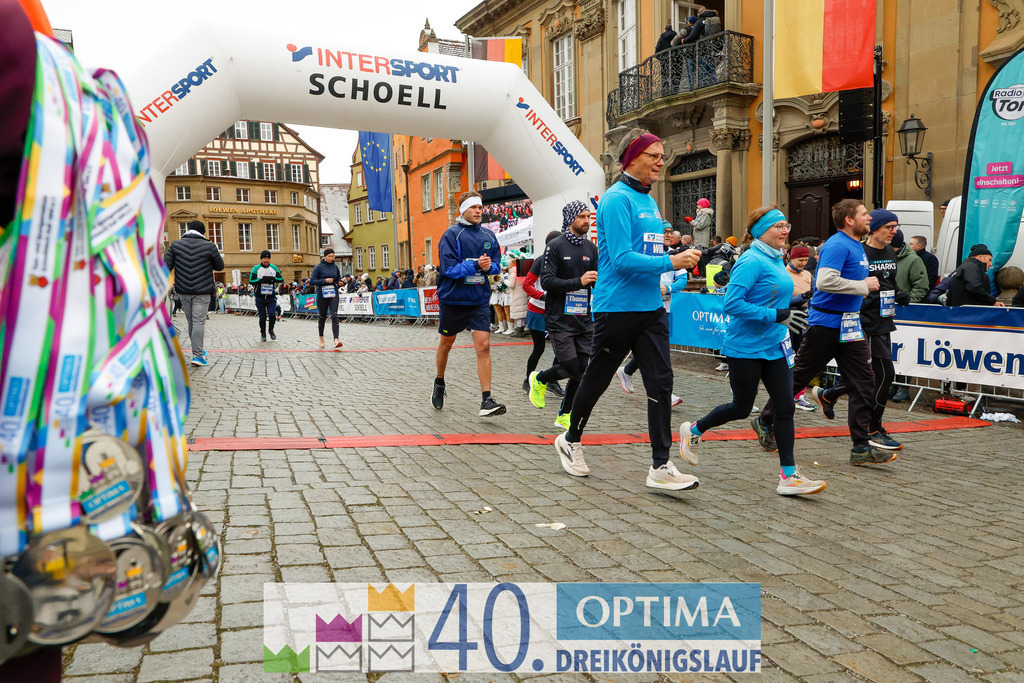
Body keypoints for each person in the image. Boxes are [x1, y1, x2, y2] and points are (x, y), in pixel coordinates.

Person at [552, 129, 701, 490]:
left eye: (663, 154)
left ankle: (660, 465)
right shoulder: (617, 199)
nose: (661, 161)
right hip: (616, 307)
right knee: (599, 378)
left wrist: (673, 260)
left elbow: (647, 253)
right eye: (655, 154)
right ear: (631, 158)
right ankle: (570, 439)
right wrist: (672, 260)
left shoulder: (648, 201)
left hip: (650, 307)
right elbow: (618, 260)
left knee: (661, 381)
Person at [679, 205, 825, 496]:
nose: (785, 231)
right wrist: (775, 315)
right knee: (741, 407)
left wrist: (797, 302)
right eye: (778, 226)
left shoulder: (776, 258)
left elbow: (773, 296)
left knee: (785, 407)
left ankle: (789, 476)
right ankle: (694, 430)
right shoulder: (751, 261)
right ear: (761, 232)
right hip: (746, 347)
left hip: (776, 345)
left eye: (786, 225)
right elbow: (732, 304)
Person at [754, 199, 895, 466]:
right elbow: (825, 281)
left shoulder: (857, 245)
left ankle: (861, 445)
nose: (869, 218)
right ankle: (764, 420)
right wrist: (863, 285)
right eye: (864, 214)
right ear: (849, 220)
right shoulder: (837, 245)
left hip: (851, 326)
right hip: (825, 325)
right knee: (799, 378)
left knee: (865, 382)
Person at [810, 209, 912, 451]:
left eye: (896, 227)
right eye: (890, 227)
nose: (895, 232)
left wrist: (898, 293)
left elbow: (887, 281)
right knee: (882, 374)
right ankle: (872, 428)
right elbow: (841, 283)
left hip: (883, 319)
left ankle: (830, 394)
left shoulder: (889, 251)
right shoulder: (859, 251)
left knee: (872, 375)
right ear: (875, 227)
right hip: (859, 320)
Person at [432, 191, 506, 417]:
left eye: (480, 208)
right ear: (463, 210)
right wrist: (476, 266)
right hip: (453, 299)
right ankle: (439, 381)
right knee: (447, 343)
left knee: (483, 346)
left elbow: (496, 266)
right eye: (473, 207)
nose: (478, 211)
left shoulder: (489, 235)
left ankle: (487, 400)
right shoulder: (451, 235)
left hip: (478, 300)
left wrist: (487, 268)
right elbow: (449, 270)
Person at [529, 201, 600, 432]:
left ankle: (565, 414)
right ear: (570, 218)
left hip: (583, 318)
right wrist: (577, 282)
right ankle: (539, 379)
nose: (586, 221)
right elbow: (547, 281)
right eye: (582, 216)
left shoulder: (591, 248)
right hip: (559, 318)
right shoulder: (555, 246)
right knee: (571, 366)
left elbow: (597, 279)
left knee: (581, 369)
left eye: (588, 216)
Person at [615, 223, 687, 408]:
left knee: (655, 350)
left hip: (665, 309)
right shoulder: (642, 253)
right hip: (641, 309)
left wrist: (668, 288)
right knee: (653, 351)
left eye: (670, 232)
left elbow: (682, 280)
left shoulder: (673, 254)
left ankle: (628, 372)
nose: (668, 235)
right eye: (664, 231)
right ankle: (662, 392)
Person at [164, 219, 225, 366]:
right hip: (203, 291)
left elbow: (165, 266)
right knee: (198, 322)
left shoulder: (175, 245)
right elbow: (219, 266)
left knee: (191, 321)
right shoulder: (209, 246)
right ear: (202, 232)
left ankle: (198, 350)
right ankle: (197, 355)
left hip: (183, 290)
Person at [521, 232, 565, 397]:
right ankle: (528, 380)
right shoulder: (540, 261)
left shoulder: (563, 262)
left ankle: (552, 381)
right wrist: (542, 296)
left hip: (556, 311)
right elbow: (527, 285)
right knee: (538, 348)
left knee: (561, 349)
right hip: (537, 311)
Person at [786, 244, 815, 411]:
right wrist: (801, 298)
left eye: (806, 260)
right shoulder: (782, 273)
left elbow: (816, 292)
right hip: (786, 317)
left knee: (803, 357)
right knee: (787, 358)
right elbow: (779, 301)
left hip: (804, 317)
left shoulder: (808, 275)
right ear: (791, 257)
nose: (803, 263)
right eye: (800, 260)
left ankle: (799, 395)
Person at [310, 247, 343, 349]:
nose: (331, 258)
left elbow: (338, 278)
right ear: (325, 256)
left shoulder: (335, 267)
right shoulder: (318, 267)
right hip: (322, 294)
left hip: (333, 293)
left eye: (333, 256)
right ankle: (321, 337)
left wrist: (340, 282)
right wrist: (324, 281)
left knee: (334, 315)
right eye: (329, 256)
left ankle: (336, 339)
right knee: (322, 316)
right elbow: (312, 281)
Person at [249, 250, 284, 341]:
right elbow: (251, 280)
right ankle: (263, 333)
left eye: (268, 258)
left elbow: (281, 279)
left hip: (271, 297)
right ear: (261, 259)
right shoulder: (256, 268)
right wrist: (261, 280)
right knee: (263, 317)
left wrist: (272, 279)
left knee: (272, 314)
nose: (266, 260)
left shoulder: (274, 268)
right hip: (260, 297)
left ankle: (271, 330)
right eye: (264, 258)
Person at [892, 228, 929, 302]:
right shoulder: (884, 257)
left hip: (902, 308)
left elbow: (921, 287)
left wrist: (907, 301)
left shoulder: (914, 260)